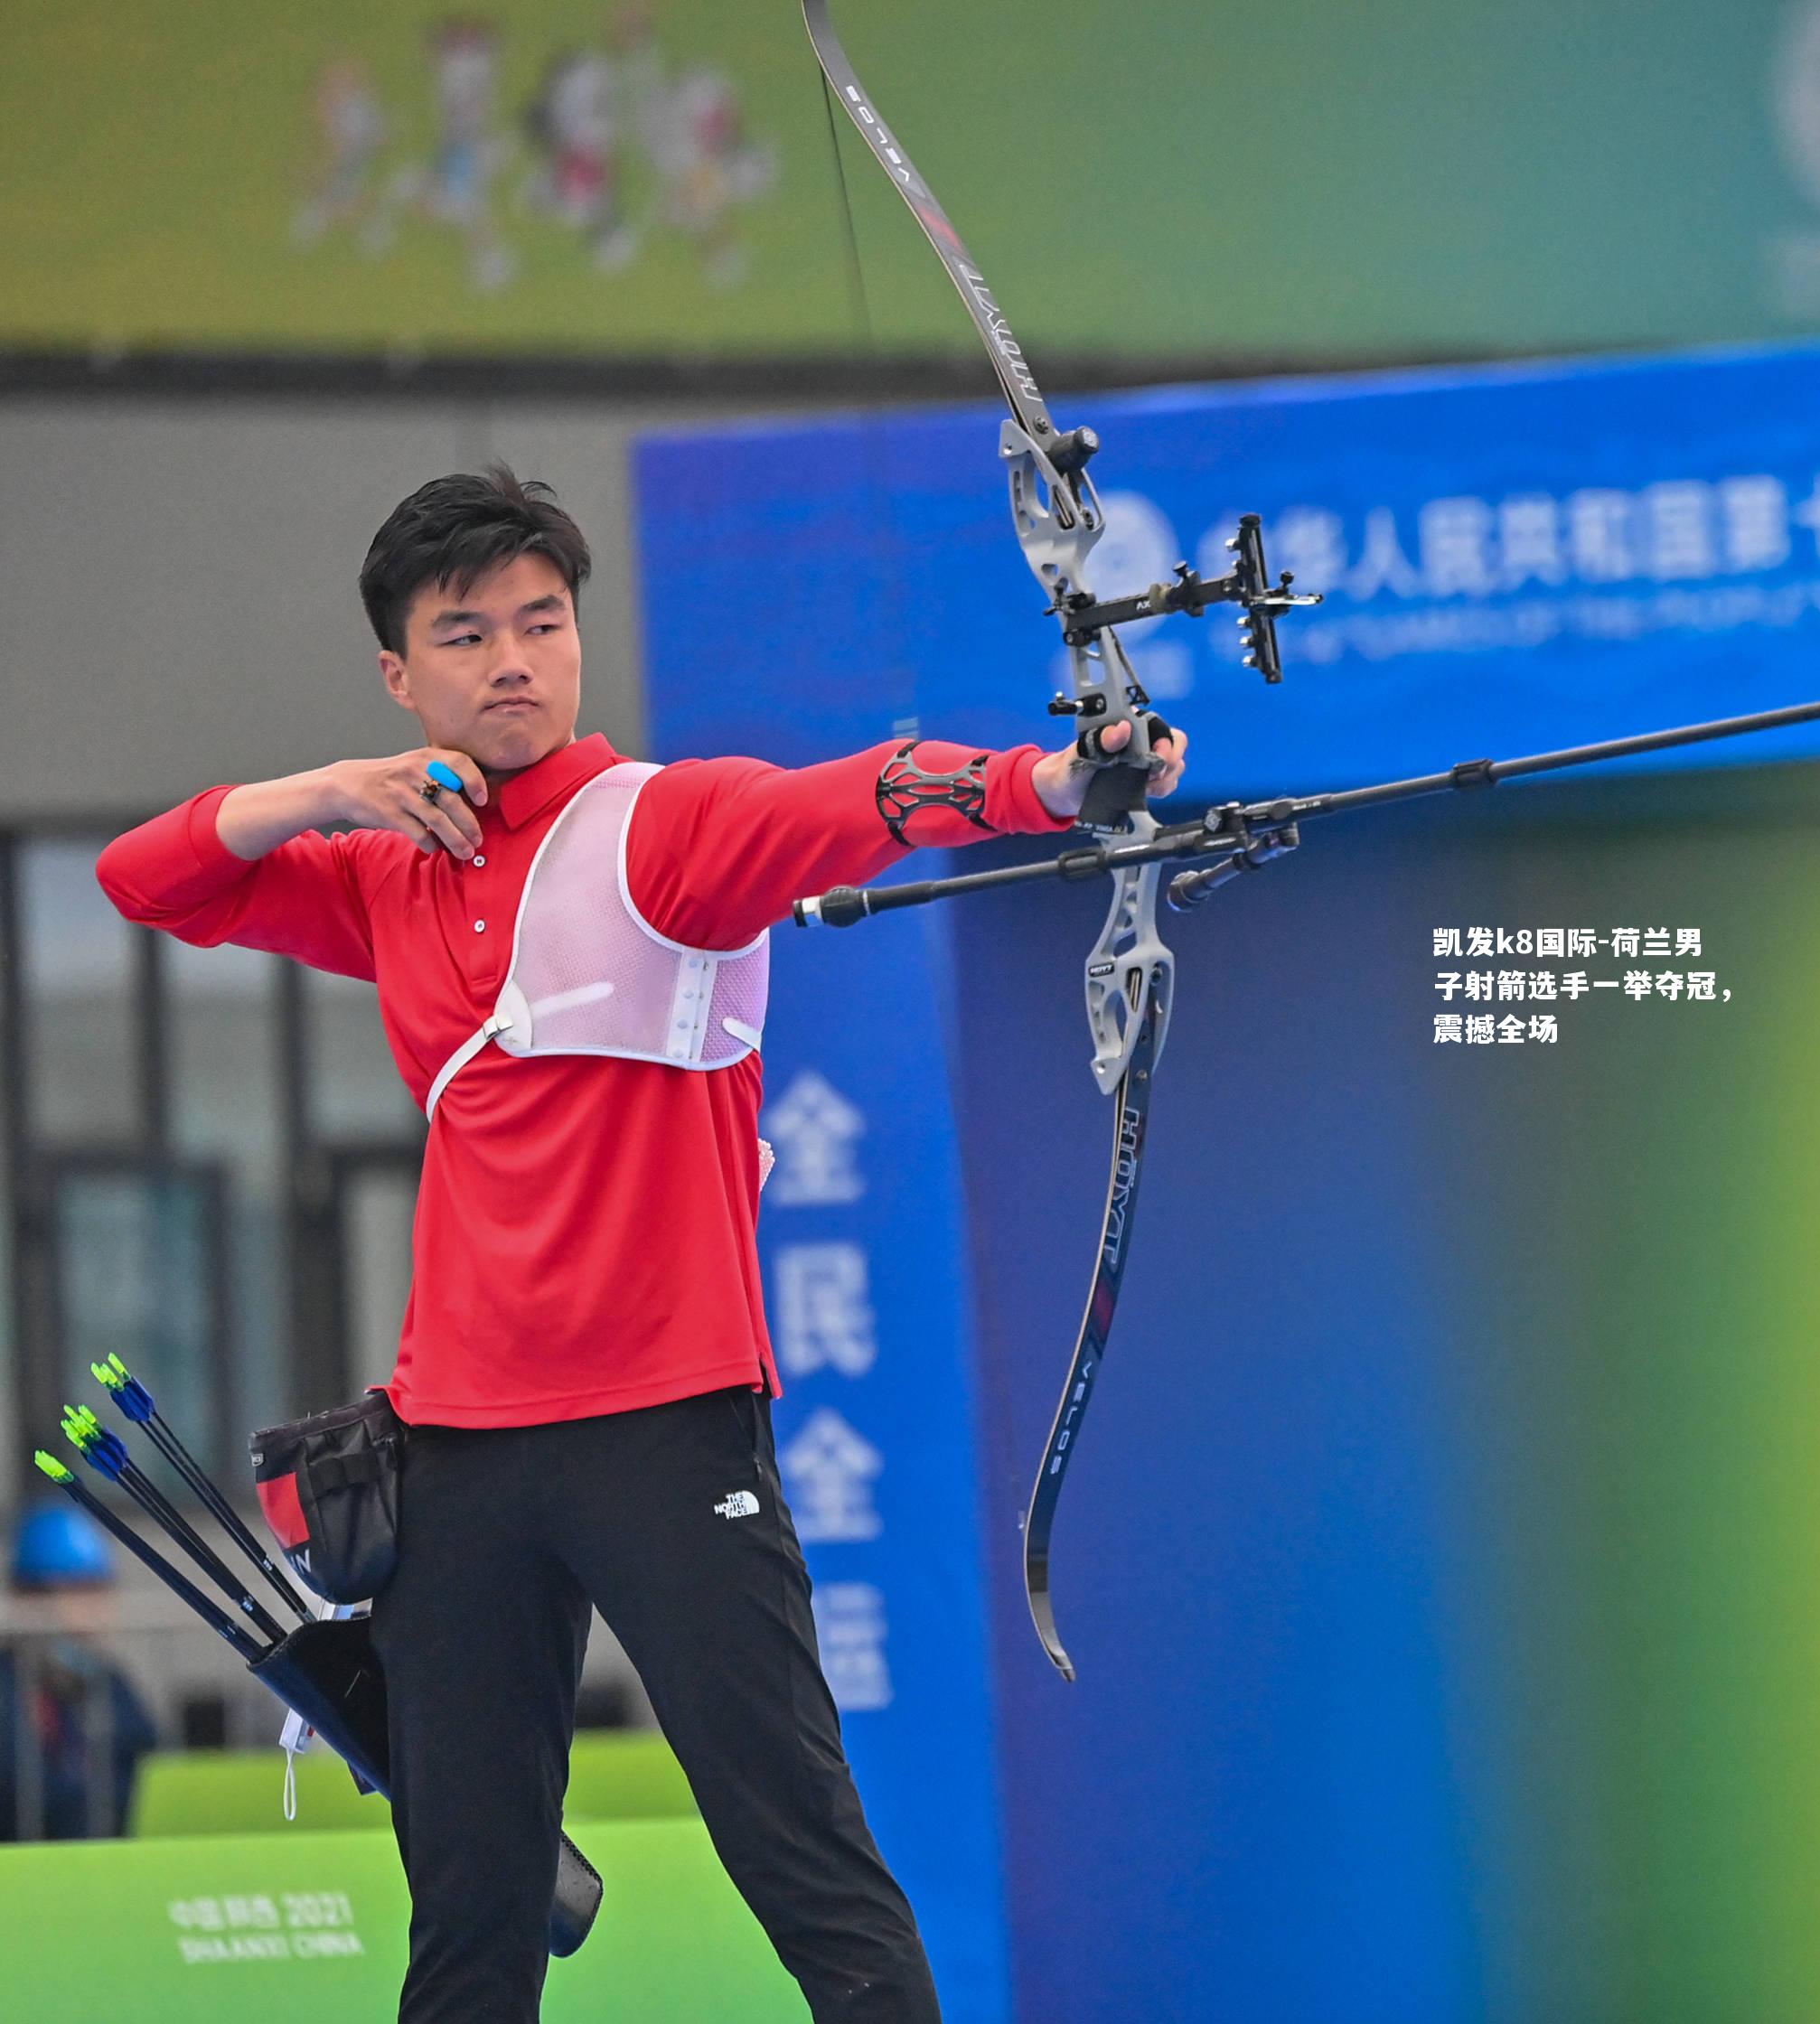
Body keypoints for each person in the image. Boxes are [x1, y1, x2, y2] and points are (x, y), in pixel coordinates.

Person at [94, 466, 1187, 2022]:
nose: (516, 661)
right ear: (401, 676)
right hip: (455, 1458)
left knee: (799, 1854)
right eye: (465, 636)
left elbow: (859, 796)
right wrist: (332, 788)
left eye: (543, 622)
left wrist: (1053, 782)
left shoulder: (659, 827)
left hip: (665, 1435)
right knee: (470, 1904)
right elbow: (146, 879)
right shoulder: (391, 873)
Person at [1, 1503, 161, 1841]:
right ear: (27, 1598)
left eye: (97, 1589)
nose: (89, 1610)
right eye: (74, 1590)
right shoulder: (11, 1689)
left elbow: (153, 1768)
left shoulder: (109, 1683)